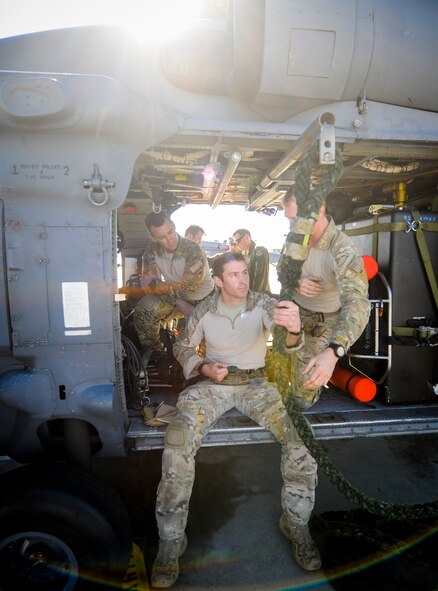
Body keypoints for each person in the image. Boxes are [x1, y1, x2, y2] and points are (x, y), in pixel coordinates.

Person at [151, 251, 320, 588]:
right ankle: (171, 541)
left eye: (245, 273)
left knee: (300, 441)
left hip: (257, 385)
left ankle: (296, 524)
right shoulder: (205, 309)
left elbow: (286, 335)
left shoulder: (262, 303)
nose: (243, 280)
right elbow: (183, 346)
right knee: (177, 445)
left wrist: (294, 330)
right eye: (234, 275)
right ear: (218, 281)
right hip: (213, 385)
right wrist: (202, 367)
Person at [279, 190, 371, 409]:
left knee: (300, 399)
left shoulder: (341, 248)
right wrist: (296, 281)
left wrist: (333, 353)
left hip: (323, 323)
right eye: (290, 220)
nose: (293, 226)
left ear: (319, 210)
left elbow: (358, 304)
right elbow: (282, 269)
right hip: (294, 314)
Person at [132, 212, 214, 353]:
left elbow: (186, 289)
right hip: (176, 299)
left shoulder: (193, 250)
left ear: (174, 226)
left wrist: (158, 285)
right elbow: (148, 287)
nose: (170, 240)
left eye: (171, 232)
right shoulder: (152, 251)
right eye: (162, 237)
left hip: (203, 299)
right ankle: (155, 354)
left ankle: (206, 363)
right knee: (144, 309)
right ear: (153, 238)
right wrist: (179, 302)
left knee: (211, 339)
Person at [229, 228, 271, 293]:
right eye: (235, 243)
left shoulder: (259, 251)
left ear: (246, 237)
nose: (236, 244)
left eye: (237, 241)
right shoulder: (243, 254)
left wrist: (254, 297)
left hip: (260, 297)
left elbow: (259, 278)